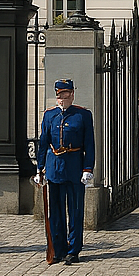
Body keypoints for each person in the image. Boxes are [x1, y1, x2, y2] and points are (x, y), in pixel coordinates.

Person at [35, 79, 94, 264]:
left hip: (74, 167)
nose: (62, 98)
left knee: (75, 210)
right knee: (56, 212)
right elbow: (43, 143)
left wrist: (87, 168)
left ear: (72, 94)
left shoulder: (82, 115)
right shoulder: (49, 115)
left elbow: (89, 144)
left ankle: (74, 249)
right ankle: (58, 248)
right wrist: (40, 168)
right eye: (59, 95)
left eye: (65, 94)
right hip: (54, 169)